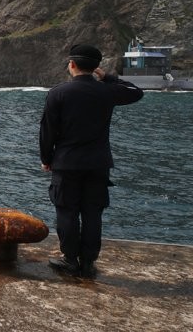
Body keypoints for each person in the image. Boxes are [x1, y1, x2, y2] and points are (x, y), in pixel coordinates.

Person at [39, 44, 143, 278]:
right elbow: (136, 91)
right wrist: (107, 77)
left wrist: (47, 159)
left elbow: (47, 130)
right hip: (98, 164)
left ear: (72, 64)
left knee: (66, 212)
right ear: (95, 67)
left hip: (66, 164)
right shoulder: (107, 91)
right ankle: (88, 262)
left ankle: (70, 260)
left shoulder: (58, 93)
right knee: (92, 213)